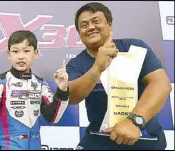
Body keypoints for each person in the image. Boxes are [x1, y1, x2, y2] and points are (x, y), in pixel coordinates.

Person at [66, 2, 173, 150]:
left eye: (96, 21)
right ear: (79, 34)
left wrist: (134, 122)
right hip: (99, 139)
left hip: (145, 136)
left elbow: (161, 84)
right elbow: (71, 97)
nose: (90, 27)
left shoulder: (135, 47)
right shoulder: (75, 64)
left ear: (110, 24)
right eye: (84, 25)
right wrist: (97, 67)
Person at [0, 30, 70, 150]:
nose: (21, 56)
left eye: (26, 51)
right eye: (15, 51)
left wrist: (62, 90)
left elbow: (53, 118)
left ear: (36, 53)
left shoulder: (40, 84)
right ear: (9, 55)